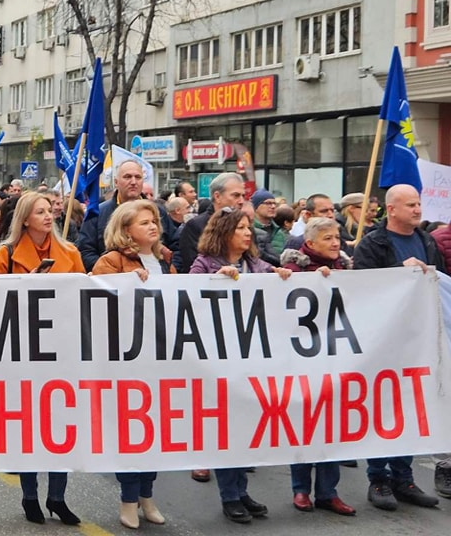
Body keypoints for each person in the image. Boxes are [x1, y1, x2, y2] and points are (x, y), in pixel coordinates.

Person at [0, 191, 84, 526]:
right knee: (28, 426)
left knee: (62, 426)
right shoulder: (6, 254)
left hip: (63, 350)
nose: (48, 215)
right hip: (22, 352)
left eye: (49, 210)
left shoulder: (69, 252)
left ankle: (57, 496)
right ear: (24, 218)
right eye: (39, 211)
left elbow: (87, 295)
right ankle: (29, 496)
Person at [190, 208, 290, 523]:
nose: (248, 233)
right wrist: (212, 281)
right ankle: (229, 496)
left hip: (252, 360)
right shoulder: (204, 264)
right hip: (219, 361)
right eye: (241, 228)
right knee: (225, 428)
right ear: (224, 232)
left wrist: (283, 275)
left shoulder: (257, 266)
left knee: (245, 427)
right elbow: (189, 296)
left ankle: (241, 490)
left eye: (249, 228)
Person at [353, 184, 444, 512]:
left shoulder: (427, 240)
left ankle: (404, 478)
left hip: (417, 339)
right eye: (410, 205)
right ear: (391, 209)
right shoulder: (373, 243)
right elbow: (360, 288)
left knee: (410, 408)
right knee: (383, 408)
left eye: (419, 203)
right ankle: (378, 478)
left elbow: (439, 281)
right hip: (384, 341)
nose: (418, 209)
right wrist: (397, 275)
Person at [90, 200, 170, 529]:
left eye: (154, 221)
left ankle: (147, 496)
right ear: (126, 231)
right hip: (126, 361)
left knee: (156, 432)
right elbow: (96, 304)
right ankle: (127, 499)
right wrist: (126, 284)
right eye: (144, 222)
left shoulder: (165, 260)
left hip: (161, 358)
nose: (153, 226)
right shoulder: (111, 261)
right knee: (131, 432)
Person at [279, 217, 357, 516]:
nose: (336, 242)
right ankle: (301, 490)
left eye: (337, 236)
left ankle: (327, 491)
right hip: (303, 362)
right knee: (305, 426)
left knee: (332, 429)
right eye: (328, 238)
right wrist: (310, 279)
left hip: (338, 359)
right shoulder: (295, 271)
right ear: (310, 244)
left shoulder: (346, 269)